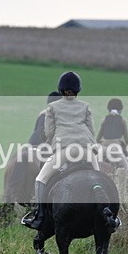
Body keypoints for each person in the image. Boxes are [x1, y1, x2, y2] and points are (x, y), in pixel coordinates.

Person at [22, 71, 100, 230]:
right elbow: (91, 130)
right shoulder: (85, 106)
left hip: (65, 149)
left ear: (61, 89)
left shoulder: (52, 107)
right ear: (78, 89)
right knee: (99, 179)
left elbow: (49, 132)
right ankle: (110, 215)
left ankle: (40, 215)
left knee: (41, 180)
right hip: (86, 149)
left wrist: (53, 144)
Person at [96, 98, 128, 176]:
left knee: (95, 166)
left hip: (103, 148)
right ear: (120, 109)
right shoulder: (122, 120)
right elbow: (126, 138)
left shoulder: (104, 120)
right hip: (115, 148)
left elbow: (98, 136)